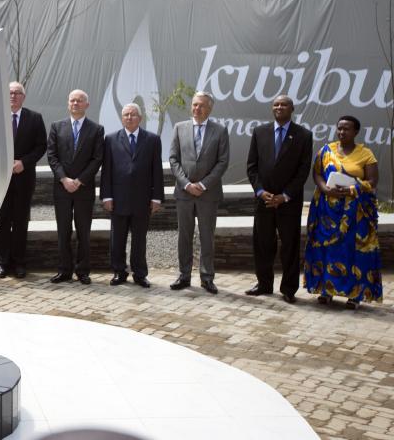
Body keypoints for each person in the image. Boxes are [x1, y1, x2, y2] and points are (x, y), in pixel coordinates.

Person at [304, 116, 382, 309]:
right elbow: (317, 174)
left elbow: (372, 182)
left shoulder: (366, 154)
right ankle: (326, 290)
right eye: (339, 128)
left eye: (346, 129)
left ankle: (354, 294)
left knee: (352, 251)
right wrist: (325, 188)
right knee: (327, 250)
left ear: (356, 132)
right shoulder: (326, 150)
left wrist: (352, 189)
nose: (341, 132)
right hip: (327, 211)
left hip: (355, 213)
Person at [245, 95, 313, 303]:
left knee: (290, 246)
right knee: (263, 243)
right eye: (276, 104)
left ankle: (289, 289)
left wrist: (284, 196)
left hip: (288, 202)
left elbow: (303, 171)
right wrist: (259, 191)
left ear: (292, 108)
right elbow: (252, 167)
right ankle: (264, 284)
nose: (279, 107)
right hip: (263, 200)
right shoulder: (260, 132)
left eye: (284, 104)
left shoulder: (303, 135)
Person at [168, 92, 230, 294]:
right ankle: (184, 275)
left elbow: (223, 162)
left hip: (208, 194)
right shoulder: (179, 128)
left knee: (206, 237)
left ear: (209, 108)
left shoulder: (220, 131)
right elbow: (173, 159)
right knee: (184, 236)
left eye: (201, 106)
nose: (197, 109)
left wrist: (203, 185)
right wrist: (186, 184)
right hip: (184, 193)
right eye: (194, 105)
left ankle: (207, 277)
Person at [100, 103, 164, 288]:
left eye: (133, 114)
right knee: (117, 239)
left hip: (142, 200)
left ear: (140, 118)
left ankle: (140, 273)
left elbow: (156, 171)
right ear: (122, 118)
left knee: (139, 240)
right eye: (126, 115)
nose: (129, 117)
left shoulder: (152, 140)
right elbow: (107, 171)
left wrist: (156, 198)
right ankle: (119, 272)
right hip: (118, 199)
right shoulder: (111, 139)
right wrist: (107, 197)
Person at [45, 89, 104, 285]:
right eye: (72, 101)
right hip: (61, 188)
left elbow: (97, 159)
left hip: (83, 189)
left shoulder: (96, 130)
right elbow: (52, 156)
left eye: (79, 101)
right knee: (63, 231)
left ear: (87, 105)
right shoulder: (56, 127)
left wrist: (78, 181)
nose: (75, 104)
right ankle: (64, 270)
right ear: (68, 104)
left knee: (83, 231)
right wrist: (64, 179)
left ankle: (83, 271)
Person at [0, 81, 46, 279]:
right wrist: (4, 163)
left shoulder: (34, 118)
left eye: (17, 93)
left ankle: (19, 263)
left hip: (24, 179)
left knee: (21, 222)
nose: (13, 96)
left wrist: (24, 162)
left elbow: (41, 146)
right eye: (10, 92)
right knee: (2, 222)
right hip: (1, 179)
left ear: (23, 97)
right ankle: (1, 263)